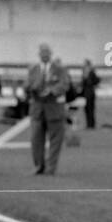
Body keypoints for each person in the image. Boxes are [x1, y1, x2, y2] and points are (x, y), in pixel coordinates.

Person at [26, 42, 70, 176]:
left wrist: (51, 91)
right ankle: (39, 166)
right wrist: (34, 87)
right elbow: (27, 85)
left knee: (55, 140)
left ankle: (51, 168)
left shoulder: (59, 69)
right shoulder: (33, 69)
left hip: (54, 110)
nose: (44, 55)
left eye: (47, 53)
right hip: (37, 110)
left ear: (50, 54)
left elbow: (65, 85)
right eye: (42, 53)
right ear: (39, 54)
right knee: (36, 140)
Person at [81, 59, 100, 129]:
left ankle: (91, 124)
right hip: (87, 93)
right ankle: (89, 124)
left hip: (90, 93)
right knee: (88, 109)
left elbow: (97, 80)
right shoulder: (85, 73)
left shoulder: (91, 72)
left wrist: (91, 83)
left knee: (90, 109)